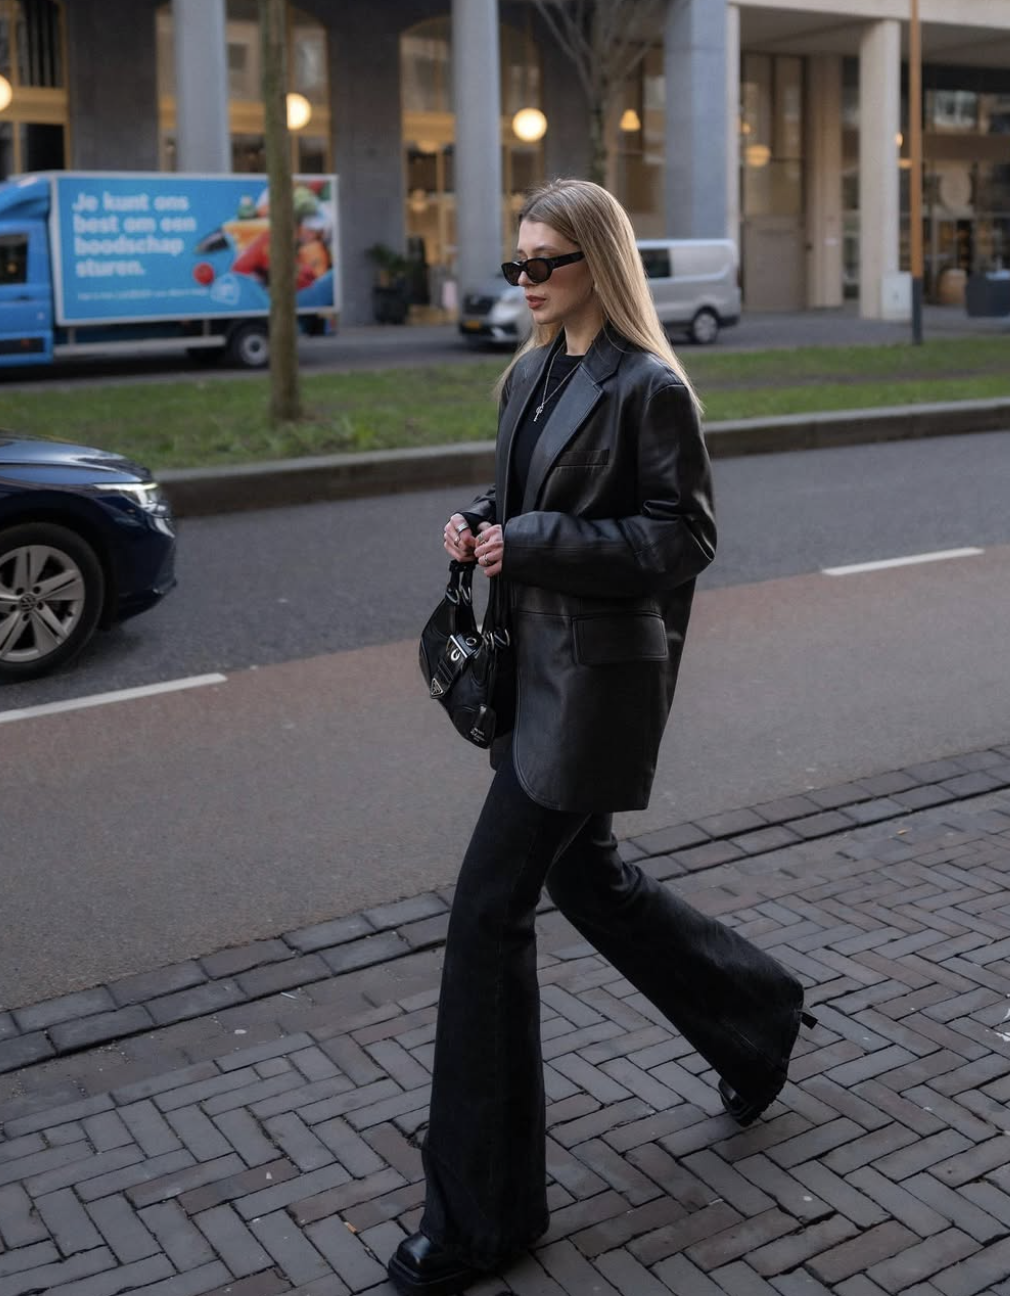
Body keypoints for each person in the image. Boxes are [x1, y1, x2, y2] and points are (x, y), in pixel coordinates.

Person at [388, 179, 814, 1296]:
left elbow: (681, 537)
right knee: (589, 882)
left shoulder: (648, 386)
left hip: (595, 691)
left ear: (598, 264)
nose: (523, 283)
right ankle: (755, 1017)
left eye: (545, 264)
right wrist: (485, 522)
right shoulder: (527, 373)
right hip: (531, 675)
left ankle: (482, 1219)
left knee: (487, 914)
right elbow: (526, 493)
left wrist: (524, 539)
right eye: (517, 263)